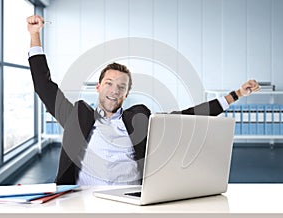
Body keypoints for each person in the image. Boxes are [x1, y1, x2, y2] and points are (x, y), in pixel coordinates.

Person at [27, 15, 260, 185]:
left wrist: (236, 95)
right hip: (83, 202)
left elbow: (188, 117)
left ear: (126, 94)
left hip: (130, 202)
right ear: (98, 87)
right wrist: (35, 34)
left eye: (121, 87)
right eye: (109, 83)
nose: (114, 90)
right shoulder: (77, 115)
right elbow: (43, 85)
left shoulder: (139, 119)